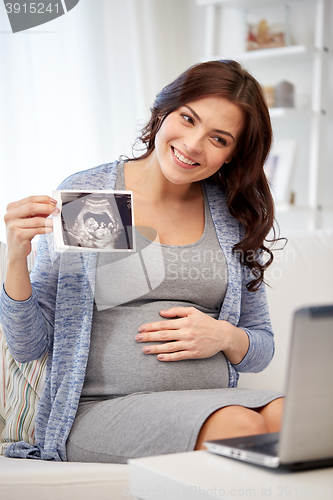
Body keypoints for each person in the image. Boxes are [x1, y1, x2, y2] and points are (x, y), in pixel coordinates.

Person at [0, 60, 284, 463]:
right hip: (103, 407)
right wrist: (16, 257)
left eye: (218, 139)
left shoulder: (229, 215)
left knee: (296, 419)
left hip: (213, 400)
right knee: (238, 428)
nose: (192, 144)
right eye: (187, 118)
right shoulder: (98, 197)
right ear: (163, 111)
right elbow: (30, 345)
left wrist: (225, 336)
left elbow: (261, 347)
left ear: (232, 155)